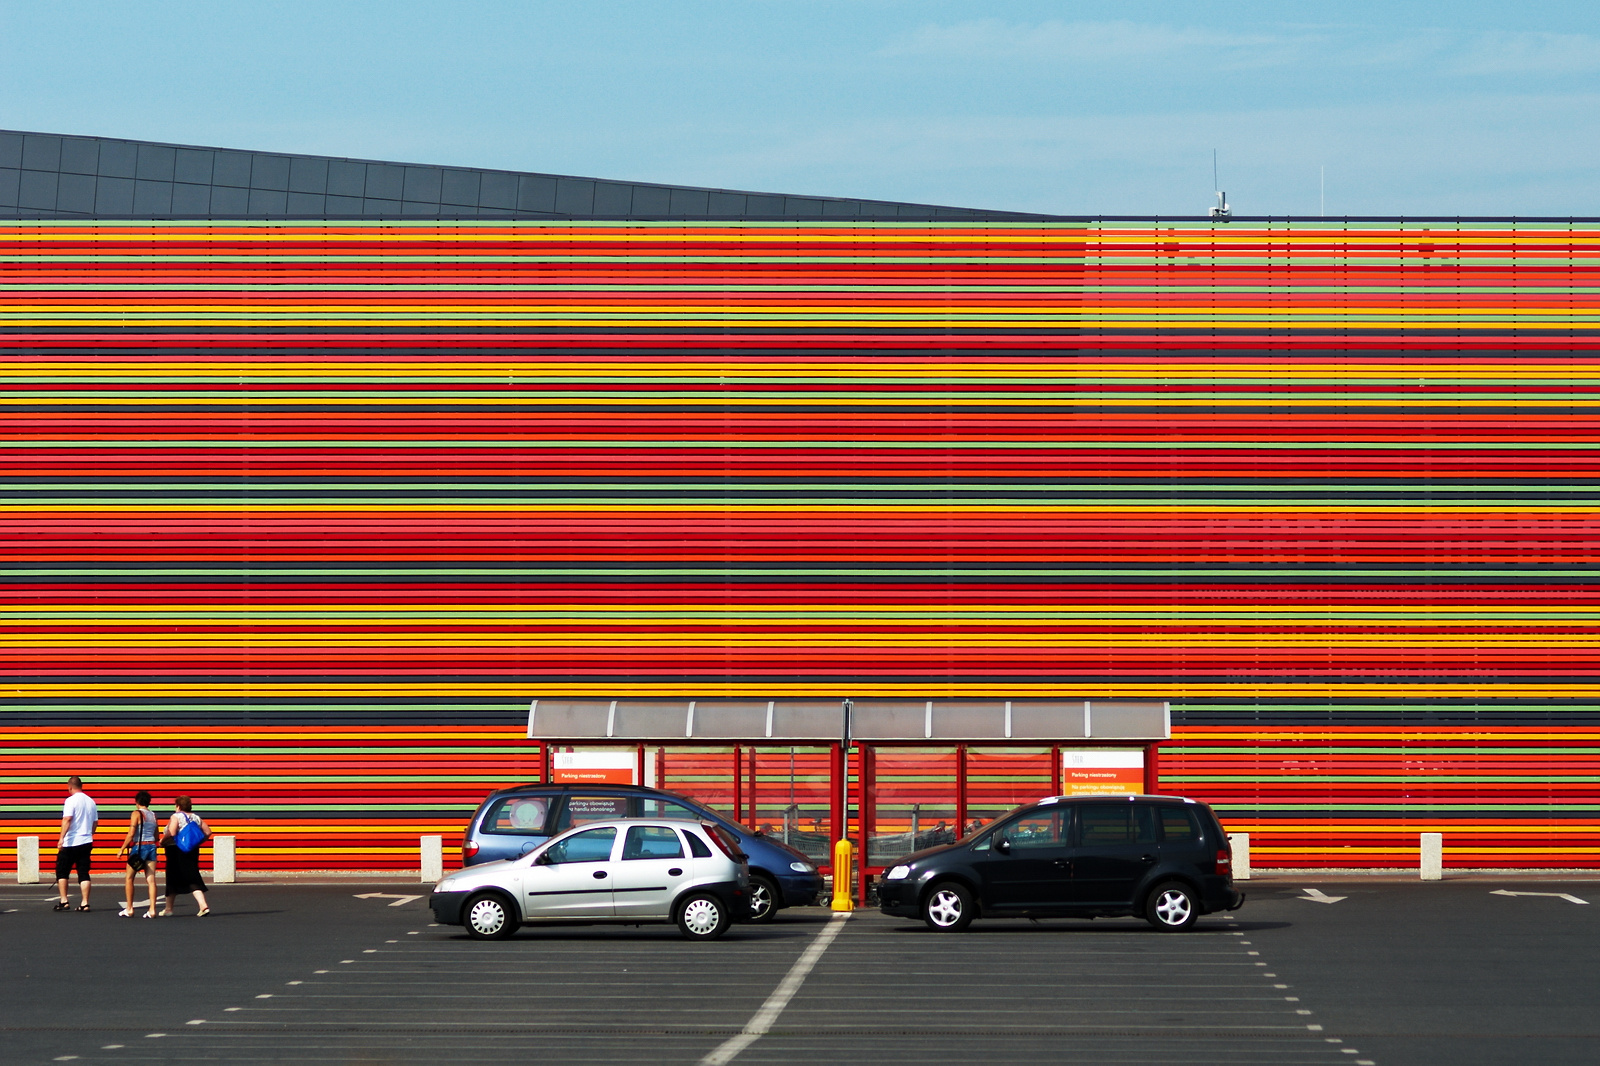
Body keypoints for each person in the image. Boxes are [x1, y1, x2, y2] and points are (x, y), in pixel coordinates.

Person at [161, 795, 212, 917]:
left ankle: (170, 909)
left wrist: (163, 840)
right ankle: (201, 905)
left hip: (176, 851)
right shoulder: (196, 817)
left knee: (173, 878)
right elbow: (208, 832)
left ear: (178, 806)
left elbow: (172, 832)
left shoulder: (176, 816)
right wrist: (197, 842)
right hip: (192, 851)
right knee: (192, 876)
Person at [54, 775, 98, 912]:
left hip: (71, 841)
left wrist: (61, 838)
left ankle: (64, 900)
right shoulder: (91, 801)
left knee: (62, 871)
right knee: (83, 872)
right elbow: (95, 822)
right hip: (86, 841)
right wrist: (90, 833)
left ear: (70, 787)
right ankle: (85, 903)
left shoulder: (70, 801)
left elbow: (67, 819)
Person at [116, 790, 161, 918]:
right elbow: (156, 835)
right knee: (151, 879)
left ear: (137, 802)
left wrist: (122, 849)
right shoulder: (153, 815)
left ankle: (129, 908)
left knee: (129, 878)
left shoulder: (136, 814)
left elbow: (131, 834)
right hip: (152, 846)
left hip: (139, 847)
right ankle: (152, 910)